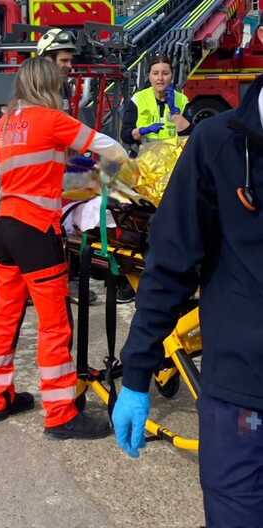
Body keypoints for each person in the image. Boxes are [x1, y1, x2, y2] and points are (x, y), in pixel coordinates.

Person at [112, 74, 263, 526]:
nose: (160, 79)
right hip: (244, 396)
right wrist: (137, 371)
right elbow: (171, 262)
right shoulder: (219, 145)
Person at [0, 57, 128, 439]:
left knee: (5, 317)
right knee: (54, 325)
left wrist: (71, 177)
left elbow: (36, 172)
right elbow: (113, 149)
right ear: (49, 85)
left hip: (5, 227)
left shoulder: (4, 125)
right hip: (36, 230)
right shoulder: (51, 119)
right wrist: (103, 182)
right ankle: (61, 415)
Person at [121, 54, 191, 149]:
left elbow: (191, 135)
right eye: (155, 73)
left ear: (172, 76)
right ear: (149, 76)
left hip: (175, 156)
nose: (160, 78)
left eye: (165, 73)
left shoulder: (182, 100)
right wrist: (141, 131)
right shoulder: (138, 99)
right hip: (146, 156)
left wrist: (175, 113)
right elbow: (125, 135)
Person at [36, 28, 76, 112]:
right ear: (48, 60)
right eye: (64, 60)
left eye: (70, 61)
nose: (69, 66)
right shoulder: (32, 89)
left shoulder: (64, 86)